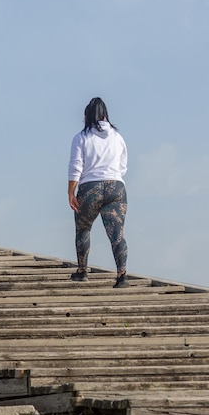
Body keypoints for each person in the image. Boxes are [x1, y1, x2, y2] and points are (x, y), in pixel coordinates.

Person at [67, 97, 129, 288]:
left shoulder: (81, 137)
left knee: (83, 228)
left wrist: (71, 191)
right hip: (116, 187)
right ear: (104, 115)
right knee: (117, 233)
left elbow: (76, 166)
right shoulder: (117, 137)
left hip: (90, 188)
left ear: (87, 116)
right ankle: (122, 275)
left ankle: (82, 271)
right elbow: (123, 165)